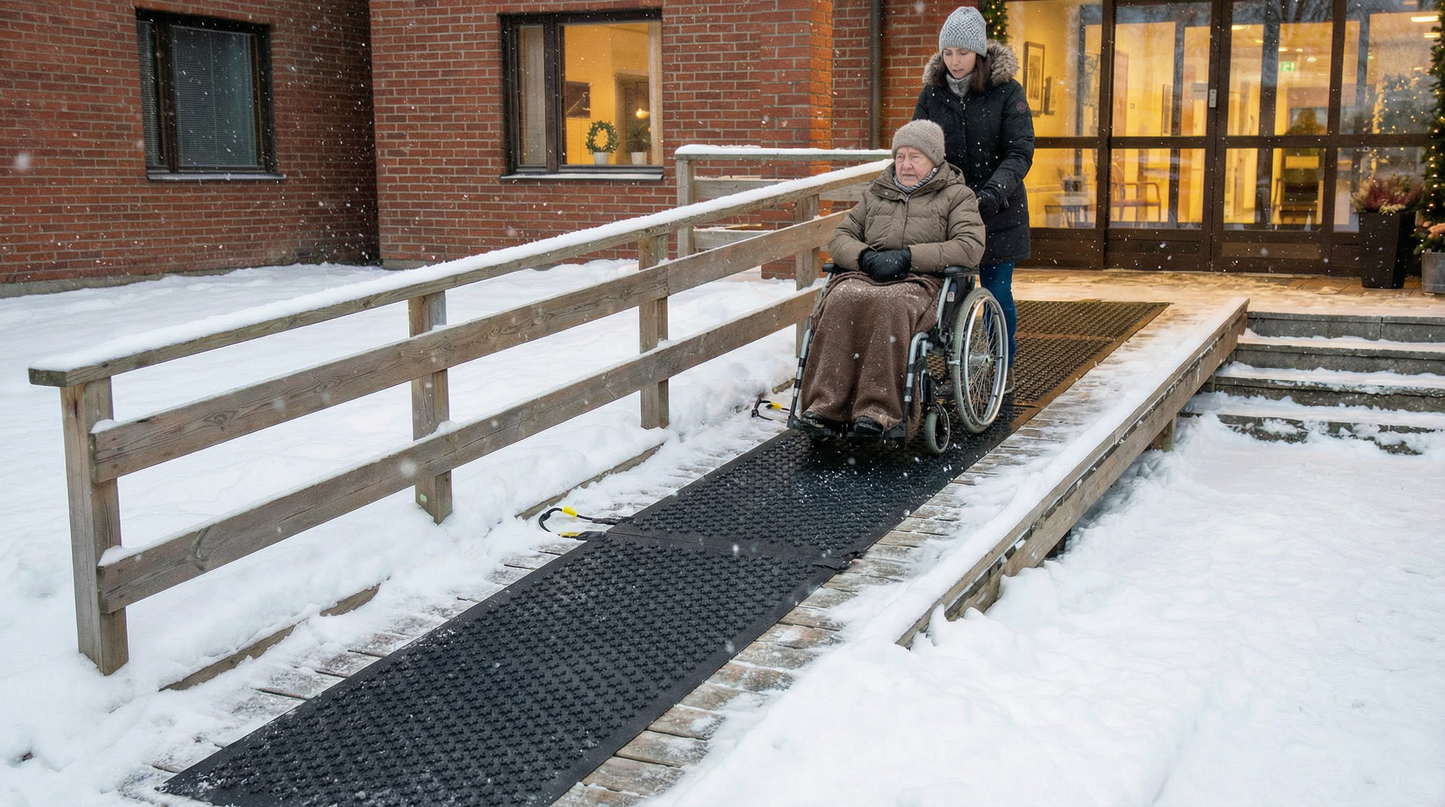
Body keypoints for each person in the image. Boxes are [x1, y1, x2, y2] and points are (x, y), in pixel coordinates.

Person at [796, 120, 985, 438]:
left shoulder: (957, 196)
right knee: (843, 299)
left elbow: (969, 247)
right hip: (868, 273)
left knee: (890, 305)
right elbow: (841, 236)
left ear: (934, 160)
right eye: (901, 156)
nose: (906, 165)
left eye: (915, 157)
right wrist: (864, 257)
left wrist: (909, 257)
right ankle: (826, 406)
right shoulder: (877, 193)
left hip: (921, 282)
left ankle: (878, 411)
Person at [913, 6, 1034, 390]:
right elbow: (918, 146)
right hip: (949, 214)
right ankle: (955, 368)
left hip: (999, 212)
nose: (954, 61)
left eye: (962, 53)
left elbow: (1020, 151)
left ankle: (1003, 365)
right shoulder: (932, 94)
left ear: (979, 53)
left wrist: (993, 192)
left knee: (996, 293)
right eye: (947, 53)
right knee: (950, 295)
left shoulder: (1007, 92)